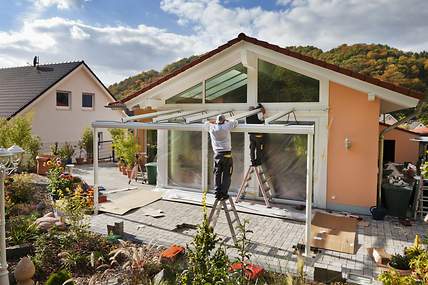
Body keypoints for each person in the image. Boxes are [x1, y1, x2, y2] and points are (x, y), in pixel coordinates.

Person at [206, 114, 238, 200]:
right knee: (227, 175)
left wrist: (212, 122)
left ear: (216, 121)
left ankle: (217, 192)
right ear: (224, 121)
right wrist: (228, 120)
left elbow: (206, 123)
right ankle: (224, 193)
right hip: (226, 155)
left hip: (217, 155)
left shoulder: (212, 128)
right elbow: (235, 122)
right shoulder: (226, 126)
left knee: (217, 173)